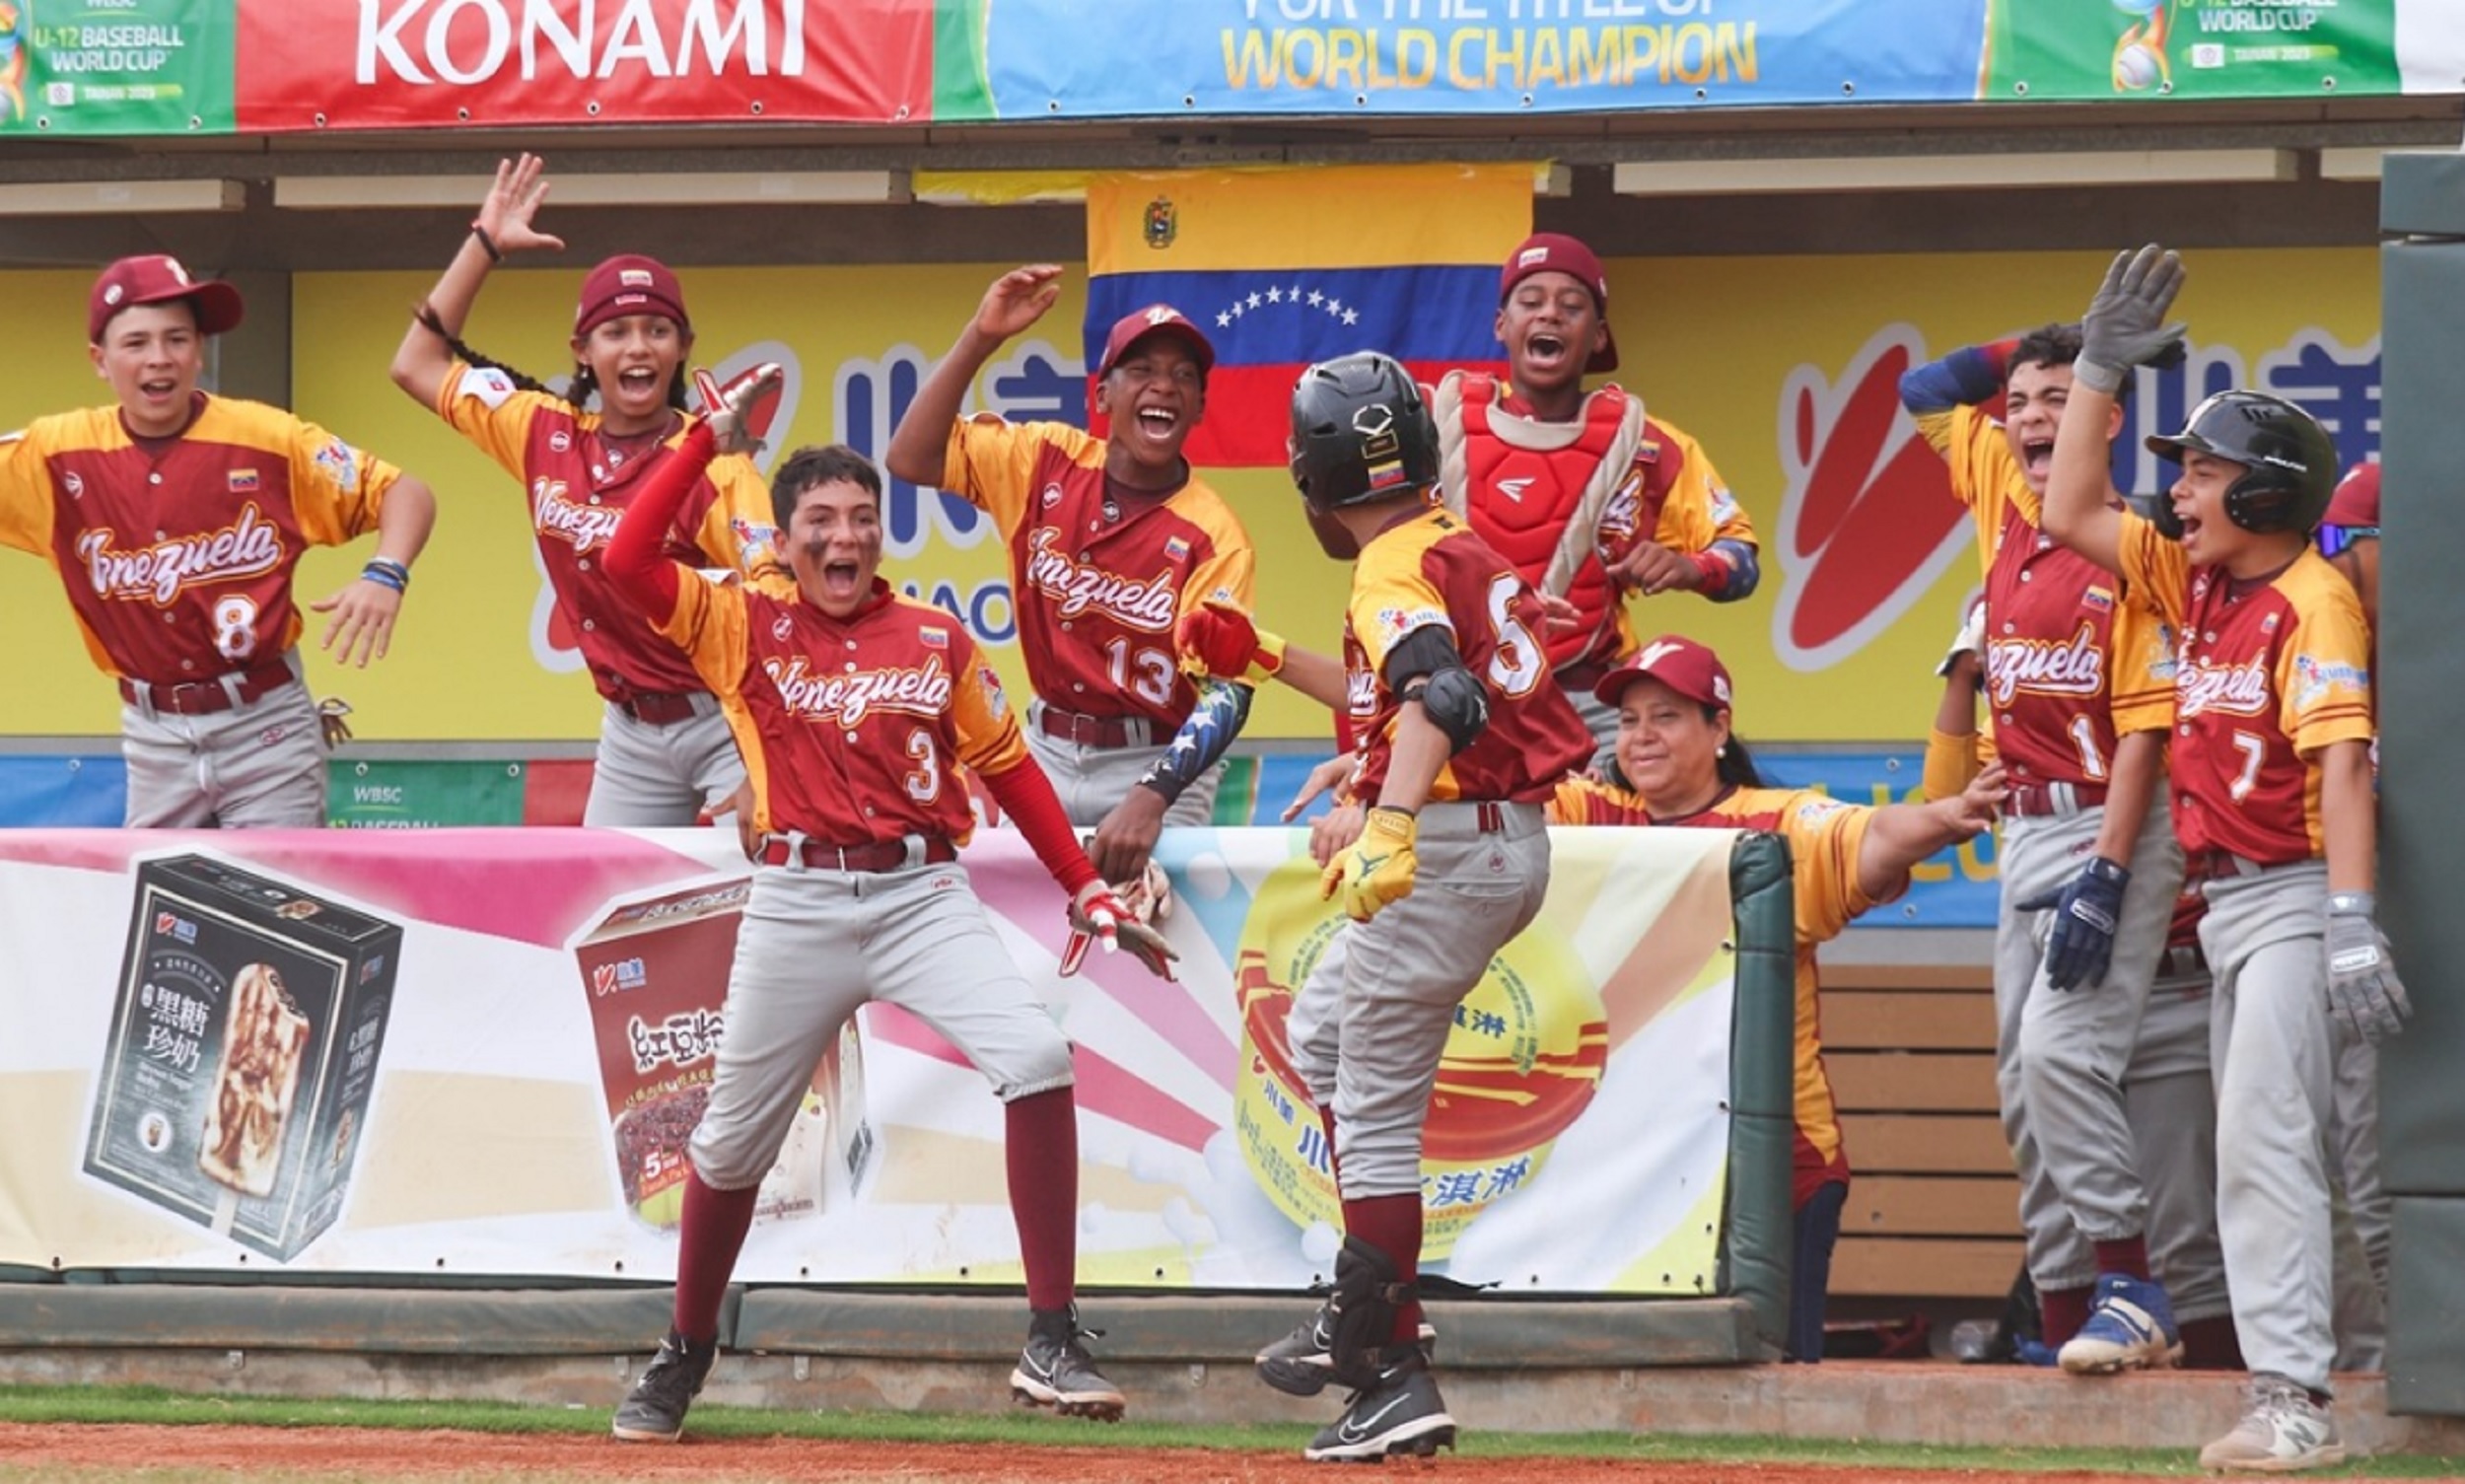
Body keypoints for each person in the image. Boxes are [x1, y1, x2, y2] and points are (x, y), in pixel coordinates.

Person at [599, 369, 1174, 1444]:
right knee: (726, 1149)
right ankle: (685, 1346)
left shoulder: (934, 636)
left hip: (919, 889)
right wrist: (697, 440)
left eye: (862, 517)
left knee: (1036, 1057)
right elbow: (624, 561)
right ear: (789, 534)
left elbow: (1011, 771)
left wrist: (1084, 887)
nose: (843, 535)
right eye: (819, 518)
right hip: (797, 894)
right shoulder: (741, 622)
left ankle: (1052, 1336)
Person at [1187, 352, 1593, 1460]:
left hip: (1452, 847)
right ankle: (1376, 1307)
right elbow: (1393, 686)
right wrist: (1269, 655)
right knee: (1316, 1036)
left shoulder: (1389, 566)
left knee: (1366, 1109)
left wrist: (1393, 817)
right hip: (1499, 844)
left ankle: (1381, 1358)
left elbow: (1440, 694)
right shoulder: (1450, 539)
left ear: (1313, 481)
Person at [2041, 244, 2405, 1472]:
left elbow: (2345, 766)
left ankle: (2295, 1398)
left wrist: (2350, 917)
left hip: (2300, 898)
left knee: (2267, 1143)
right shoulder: (2194, 587)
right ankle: (2292, 1386)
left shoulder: (2313, 598)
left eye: (2201, 472)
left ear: (2263, 491)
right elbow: (2068, 508)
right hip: (2233, 908)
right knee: (2270, 1146)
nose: (2179, 492)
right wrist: (2096, 371)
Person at [1548, 634, 2005, 1362]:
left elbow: (1878, 834)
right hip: (1633, 1156)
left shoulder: (1782, 819)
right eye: (1630, 720)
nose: (1641, 737)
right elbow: (1489, 801)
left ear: (1718, 727)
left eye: (1665, 716)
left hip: (1775, 1157)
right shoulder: (1591, 810)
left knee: (1772, 1383)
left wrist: (1946, 820)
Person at [1900, 321, 2192, 1374]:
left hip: (2106, 819)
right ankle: (2069, 1324)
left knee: (2063, 1057)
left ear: (2106, 419)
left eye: (2058, 400)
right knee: (2028, 1097)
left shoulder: (2137, 538)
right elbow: (1925, 384)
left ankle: (2134, 1283)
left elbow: (2150, 733)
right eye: (2020, 400)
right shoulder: (1999, 501)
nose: (2029, 418)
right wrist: (2043, 338)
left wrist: (2110, 870)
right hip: (2025, 822)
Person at [389, 153, 787, 826]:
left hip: (726, 717)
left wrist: (767, 759)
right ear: (583, 349)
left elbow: (777, 608)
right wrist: (483, 244)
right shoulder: (544, 432)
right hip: (632, 730)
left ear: (682, 346)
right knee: (611, 906)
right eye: (617, 332)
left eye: (658, 331)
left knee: (755, 894)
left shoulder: (717, 462)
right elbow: (414, 363)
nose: (639, 347)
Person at [0, 254, 437, 827]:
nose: (159, 358)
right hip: (153, 735)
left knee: (276, 905)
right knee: (161, 905)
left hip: (265, 725)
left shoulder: (265, 438)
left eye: (177, 338)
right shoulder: (58, 451)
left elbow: (406, 492)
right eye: (136, 343)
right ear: (100, 361)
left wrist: (386, 573)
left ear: (199, 351)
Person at [883, 266, 1260, 884]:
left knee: (1166, 959)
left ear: (1198, 408)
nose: (1163, 386)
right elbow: (910, 457)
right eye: (1141, 371)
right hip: (1046, 747)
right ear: (1103, 395)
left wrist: (1152, 795)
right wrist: (981, 336)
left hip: (1157, 758)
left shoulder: (1214, 535)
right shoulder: (1043, 460)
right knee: (1022, 937)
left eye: (1182, 376)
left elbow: (1227, 693)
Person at [1429, 232, 1760, 760]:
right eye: (1531, 302)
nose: (1551, 315)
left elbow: (1742, 562)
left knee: (1615, 831)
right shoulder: (1441, 424)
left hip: (1588, 699)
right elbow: (1353, 540)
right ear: (1501, 325)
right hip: (1459, 688)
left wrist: (1690, 568)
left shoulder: (1649, 446)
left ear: (1599, 335)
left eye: (1572, 305)